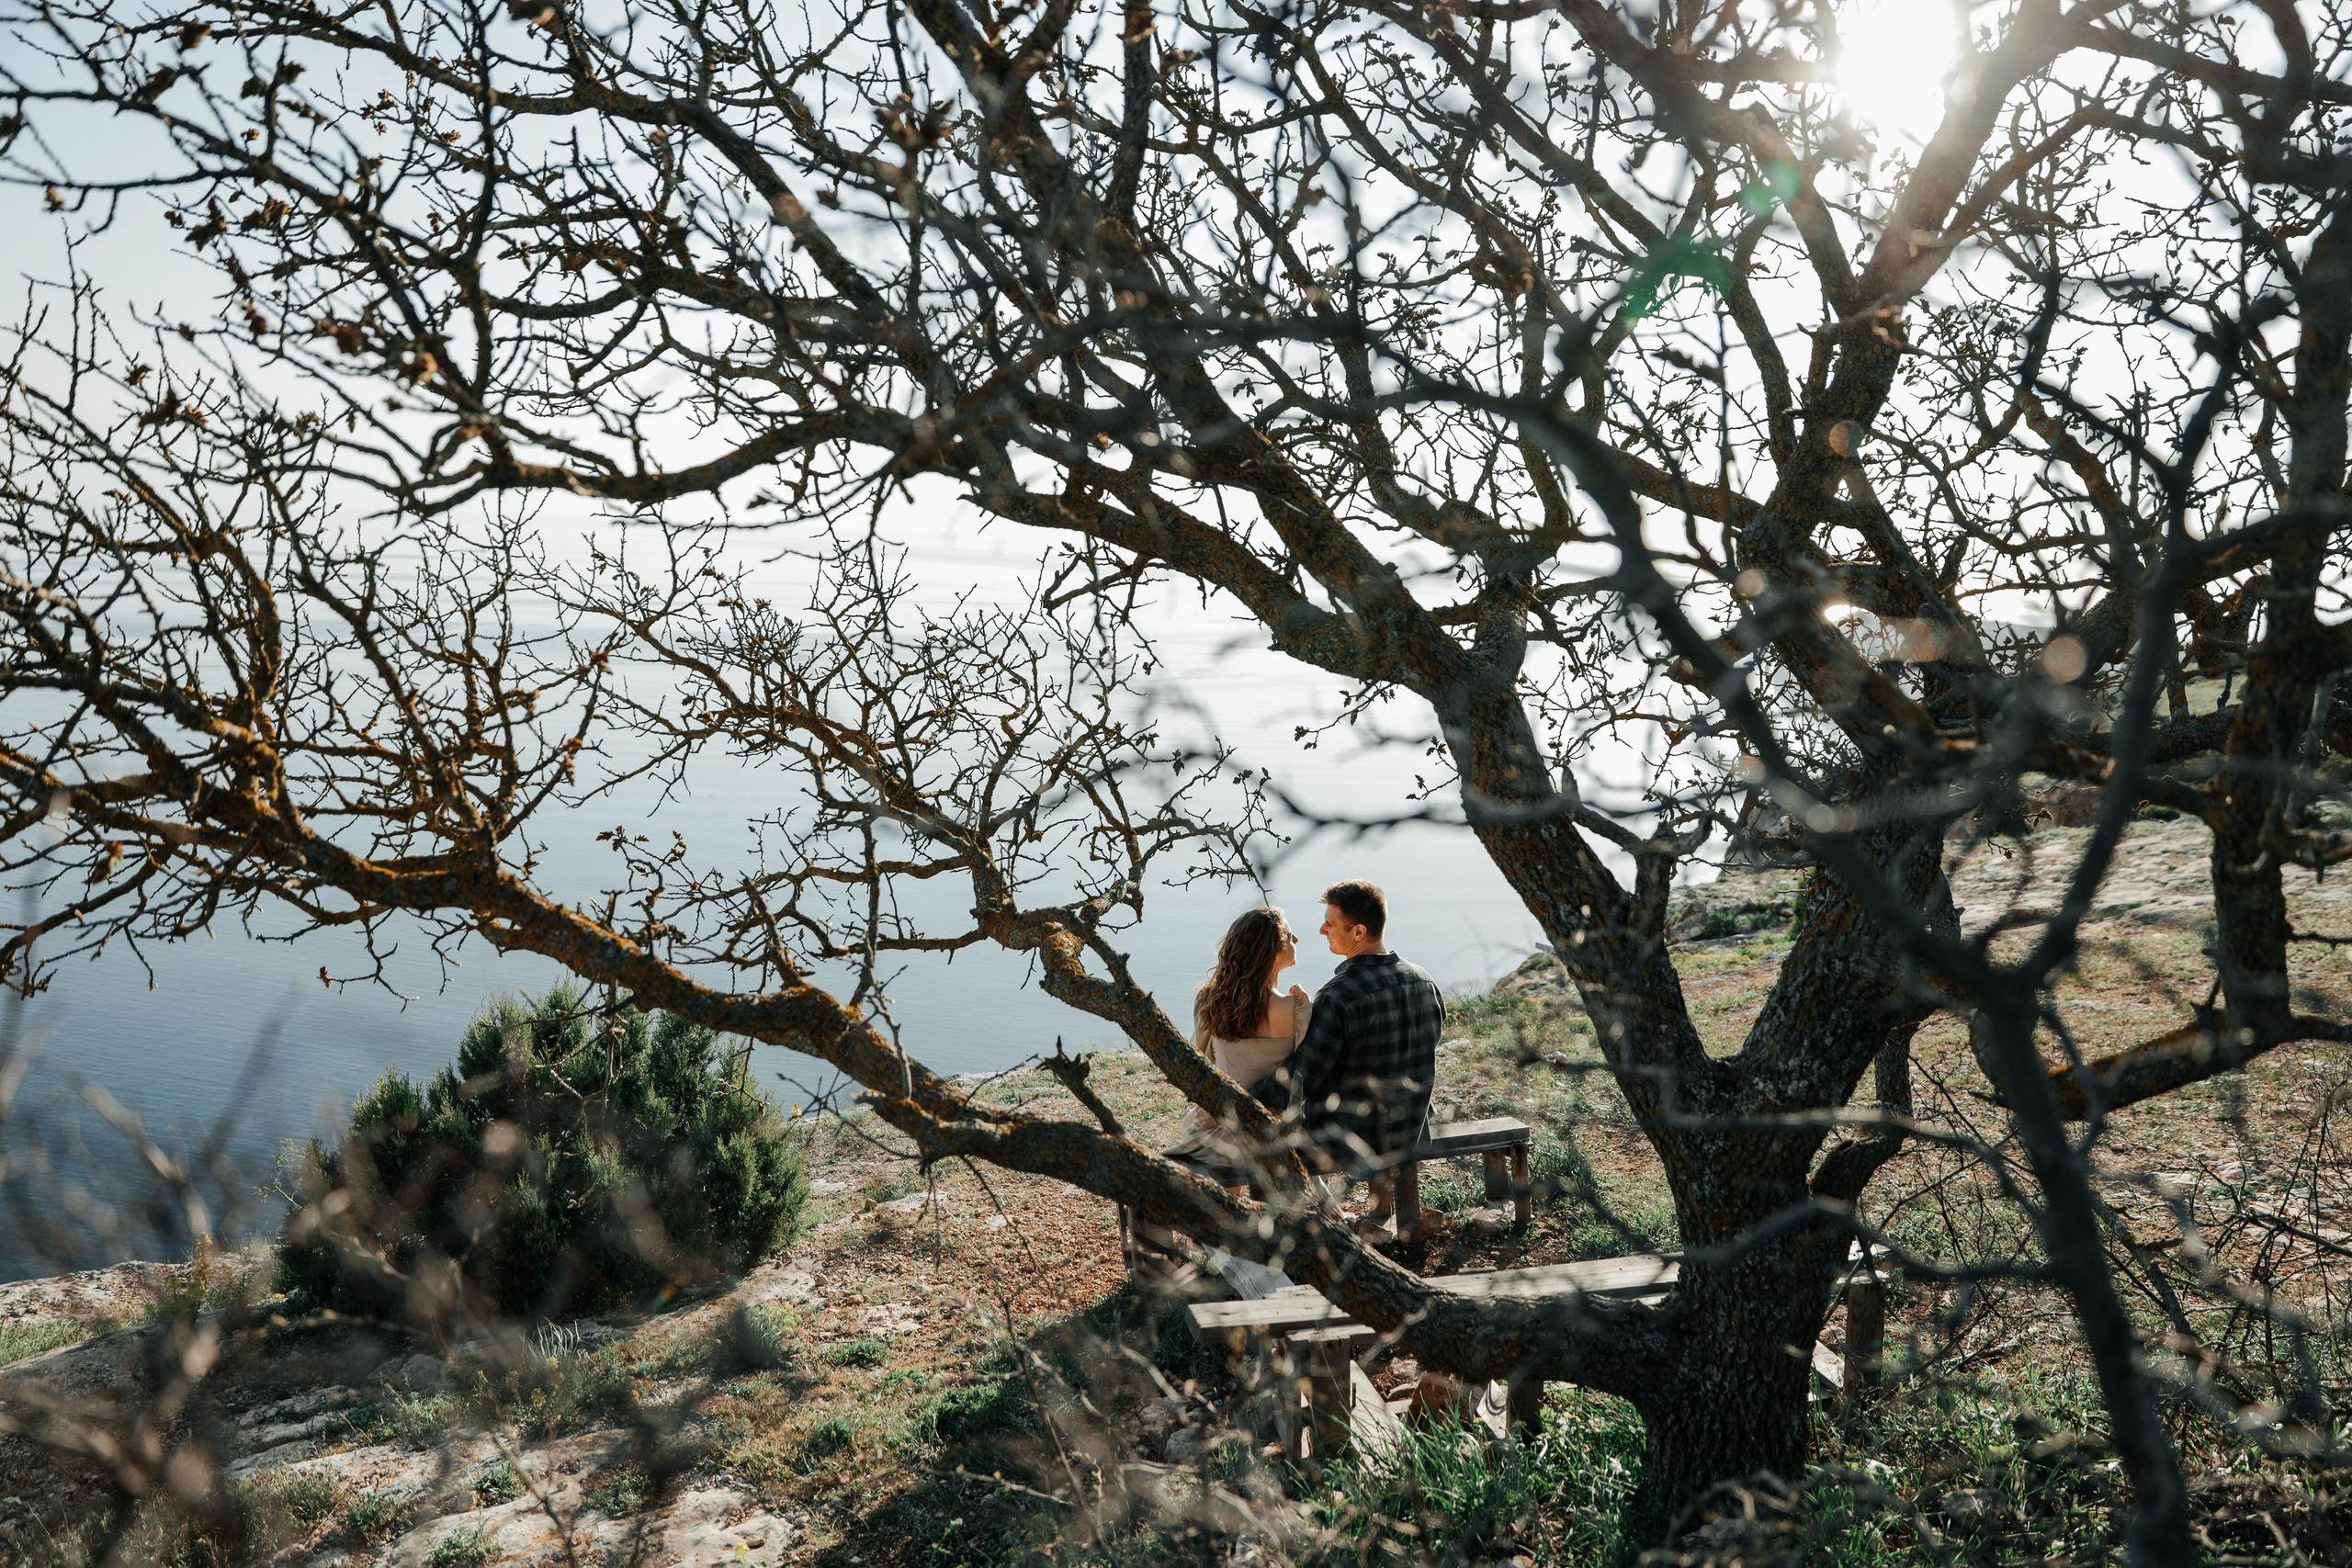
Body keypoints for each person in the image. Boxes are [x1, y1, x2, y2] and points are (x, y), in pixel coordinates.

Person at [1264, 879, 1444, 1233]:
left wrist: (1235, 1095)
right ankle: (1389, 1219)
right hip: (1413, 1129)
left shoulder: (1338, 996)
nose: (1322, 930)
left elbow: (1299, 1080)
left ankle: (1289, 1238)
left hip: (1354, 1141)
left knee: (1270, 1150)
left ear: (1359, 932)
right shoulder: (1425, 981)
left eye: (1330, 924)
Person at [1168, 907, 1310, 1156]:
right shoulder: (1296, 1009)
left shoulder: (1209, 1001)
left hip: (1220, 1127)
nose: (1296, 939)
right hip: (1274, 1133)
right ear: (1273, 954)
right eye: (1289, 937)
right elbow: (1301, 1075)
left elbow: (1200, 1064)